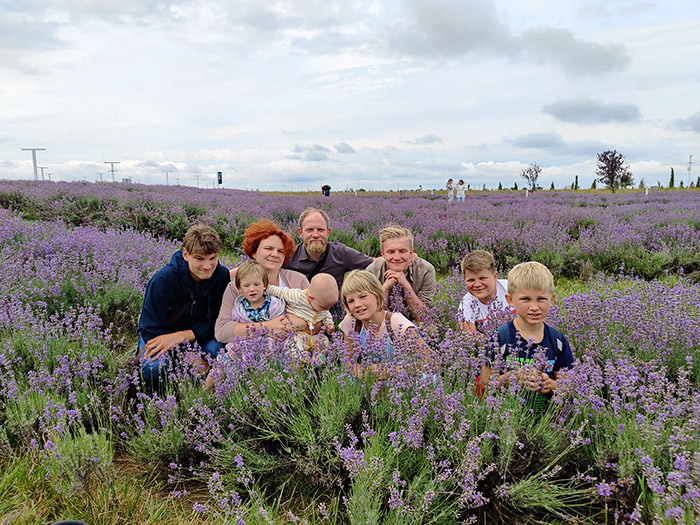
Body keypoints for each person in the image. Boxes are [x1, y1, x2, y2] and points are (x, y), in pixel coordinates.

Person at [139, 223, 230, 392]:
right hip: (161, 334)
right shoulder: (163, 280)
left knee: (218, 352)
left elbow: (220, 321)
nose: (207, 266)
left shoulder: (221, 276)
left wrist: (184, 336)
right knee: (153, 367)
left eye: (213, 258)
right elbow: (149, 328)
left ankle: (205, 391)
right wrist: (187, 355)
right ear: (185, 254)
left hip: (200, 334)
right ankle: (158, 395)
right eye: (199, 258)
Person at [479, 261, 574, 413]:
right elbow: (485, 383)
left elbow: (567, 385)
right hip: (504, 419)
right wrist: (512, 377)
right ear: (510, 300)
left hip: (546, 421)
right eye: (525, 299)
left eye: (541, 299)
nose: (534, 307)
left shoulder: (558, 341)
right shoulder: (500, 337)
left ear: (552, 299)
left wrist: (551, 385)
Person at [215, 219, 311, 343]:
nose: (275, 254)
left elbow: (319, 321)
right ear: (254, 253)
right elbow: (222, 331)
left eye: (280, 251)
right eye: (268, 248)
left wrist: (295, 324)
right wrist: (267, 327)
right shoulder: (236, 286)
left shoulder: (298, 280)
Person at [205, 260, 285, 389]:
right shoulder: (239, 307)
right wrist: (233, 349)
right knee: (217, 371)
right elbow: (235, 330)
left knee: (261, 377)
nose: (252, 289)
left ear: (265, 285)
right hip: (241, 349)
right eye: (246, 285)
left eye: (256, 284)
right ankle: (206, 394)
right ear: (240, 288)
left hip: (267, 349)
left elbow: (280, 328)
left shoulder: (274, 305)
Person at [339, 270, 429, 378]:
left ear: (377, 297)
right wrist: (362, 372)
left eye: (363, 297)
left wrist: (390, 371)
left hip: (405, 380)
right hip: (372, 382)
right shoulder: (352, 322)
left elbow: (430, 360)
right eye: (351, 301)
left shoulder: (396, 323)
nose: (357, 304)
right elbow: (347, 360)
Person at [284, 207, 374, 294]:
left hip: (334, 308)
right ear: (300, 232)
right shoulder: (289, 256)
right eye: (309, 230)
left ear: (328, 232)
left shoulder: (340, 253)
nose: (315, 235)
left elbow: (373, 262)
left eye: (320, 230)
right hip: (300, 308)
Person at [365, 226, 436, 323]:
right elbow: (373, 319)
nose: (397, 257)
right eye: (391, 252)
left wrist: (406, 286)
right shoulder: (372, 272)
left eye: (402, 251)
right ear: (383, 254)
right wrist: (385, 289)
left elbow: (424, 318)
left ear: (411, 253)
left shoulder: (425, 270)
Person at [267, 273, 338, 364]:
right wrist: (266, 288)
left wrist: (329, 324)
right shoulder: (297, 296)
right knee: (293, 347)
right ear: (311, 298)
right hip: (297, 333)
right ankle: (303, 361)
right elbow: (281, 291)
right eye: (324, 307)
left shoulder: (322, 304)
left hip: (314, 335)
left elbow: (326, 314)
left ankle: (317, 359)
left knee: (324, 341)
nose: (327, 309)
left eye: (330, 307)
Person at [458, 250, 512, 333]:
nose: (477, 285)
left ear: (495, 276)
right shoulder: (467, 302)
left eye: (482, 278)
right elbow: (468, 336)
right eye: (471, 280)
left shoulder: (511, 289)